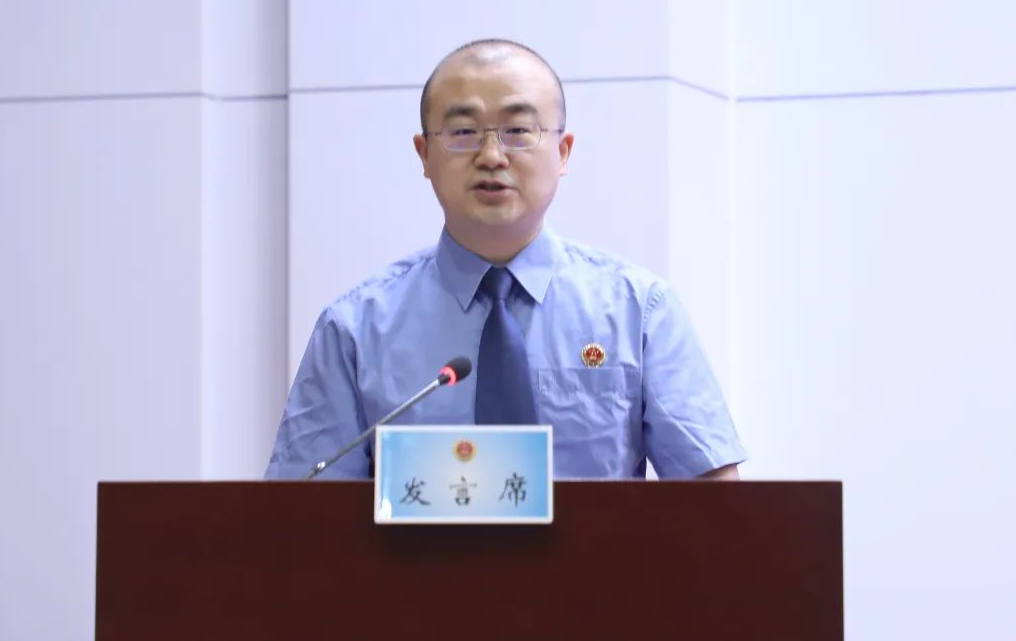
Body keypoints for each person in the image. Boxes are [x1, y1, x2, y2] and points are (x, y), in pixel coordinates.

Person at [265, 39, 745, 480]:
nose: (492, 156)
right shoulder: (355, 328)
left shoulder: (638, 311)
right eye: (463, 131)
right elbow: (304, 518)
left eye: (518, 130)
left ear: (563, 152)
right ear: (424, 154)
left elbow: (715, 501)